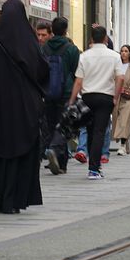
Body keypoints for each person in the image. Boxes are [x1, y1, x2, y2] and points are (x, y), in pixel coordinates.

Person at [0, 0, 49, 213]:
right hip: (26, 112)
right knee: (23, 157)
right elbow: (43, 72)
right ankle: (18, 200)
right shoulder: (30, 44)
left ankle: (3, 196)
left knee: (0, 155)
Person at [70, 26, 123, 180]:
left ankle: (93, 166)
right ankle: (94, 168)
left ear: (92, 39)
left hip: (88, 97)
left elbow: (78, 81)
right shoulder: (114, 56)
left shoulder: (84, 56)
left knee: (91, 130)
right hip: (106, 97)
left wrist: (72, 100)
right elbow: (120, 78)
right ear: (106, 38)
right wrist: (116, 97)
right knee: (100, 131)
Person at [41, 17, 81, 175]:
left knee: (51, 126)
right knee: (64, 126)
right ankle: (57, 154)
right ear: (65, 30)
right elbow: (77, 71)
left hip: (48, 92)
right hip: (66, 92)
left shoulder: (44, 48)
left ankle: (57, 159)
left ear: (52, 30)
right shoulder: (71, 49)